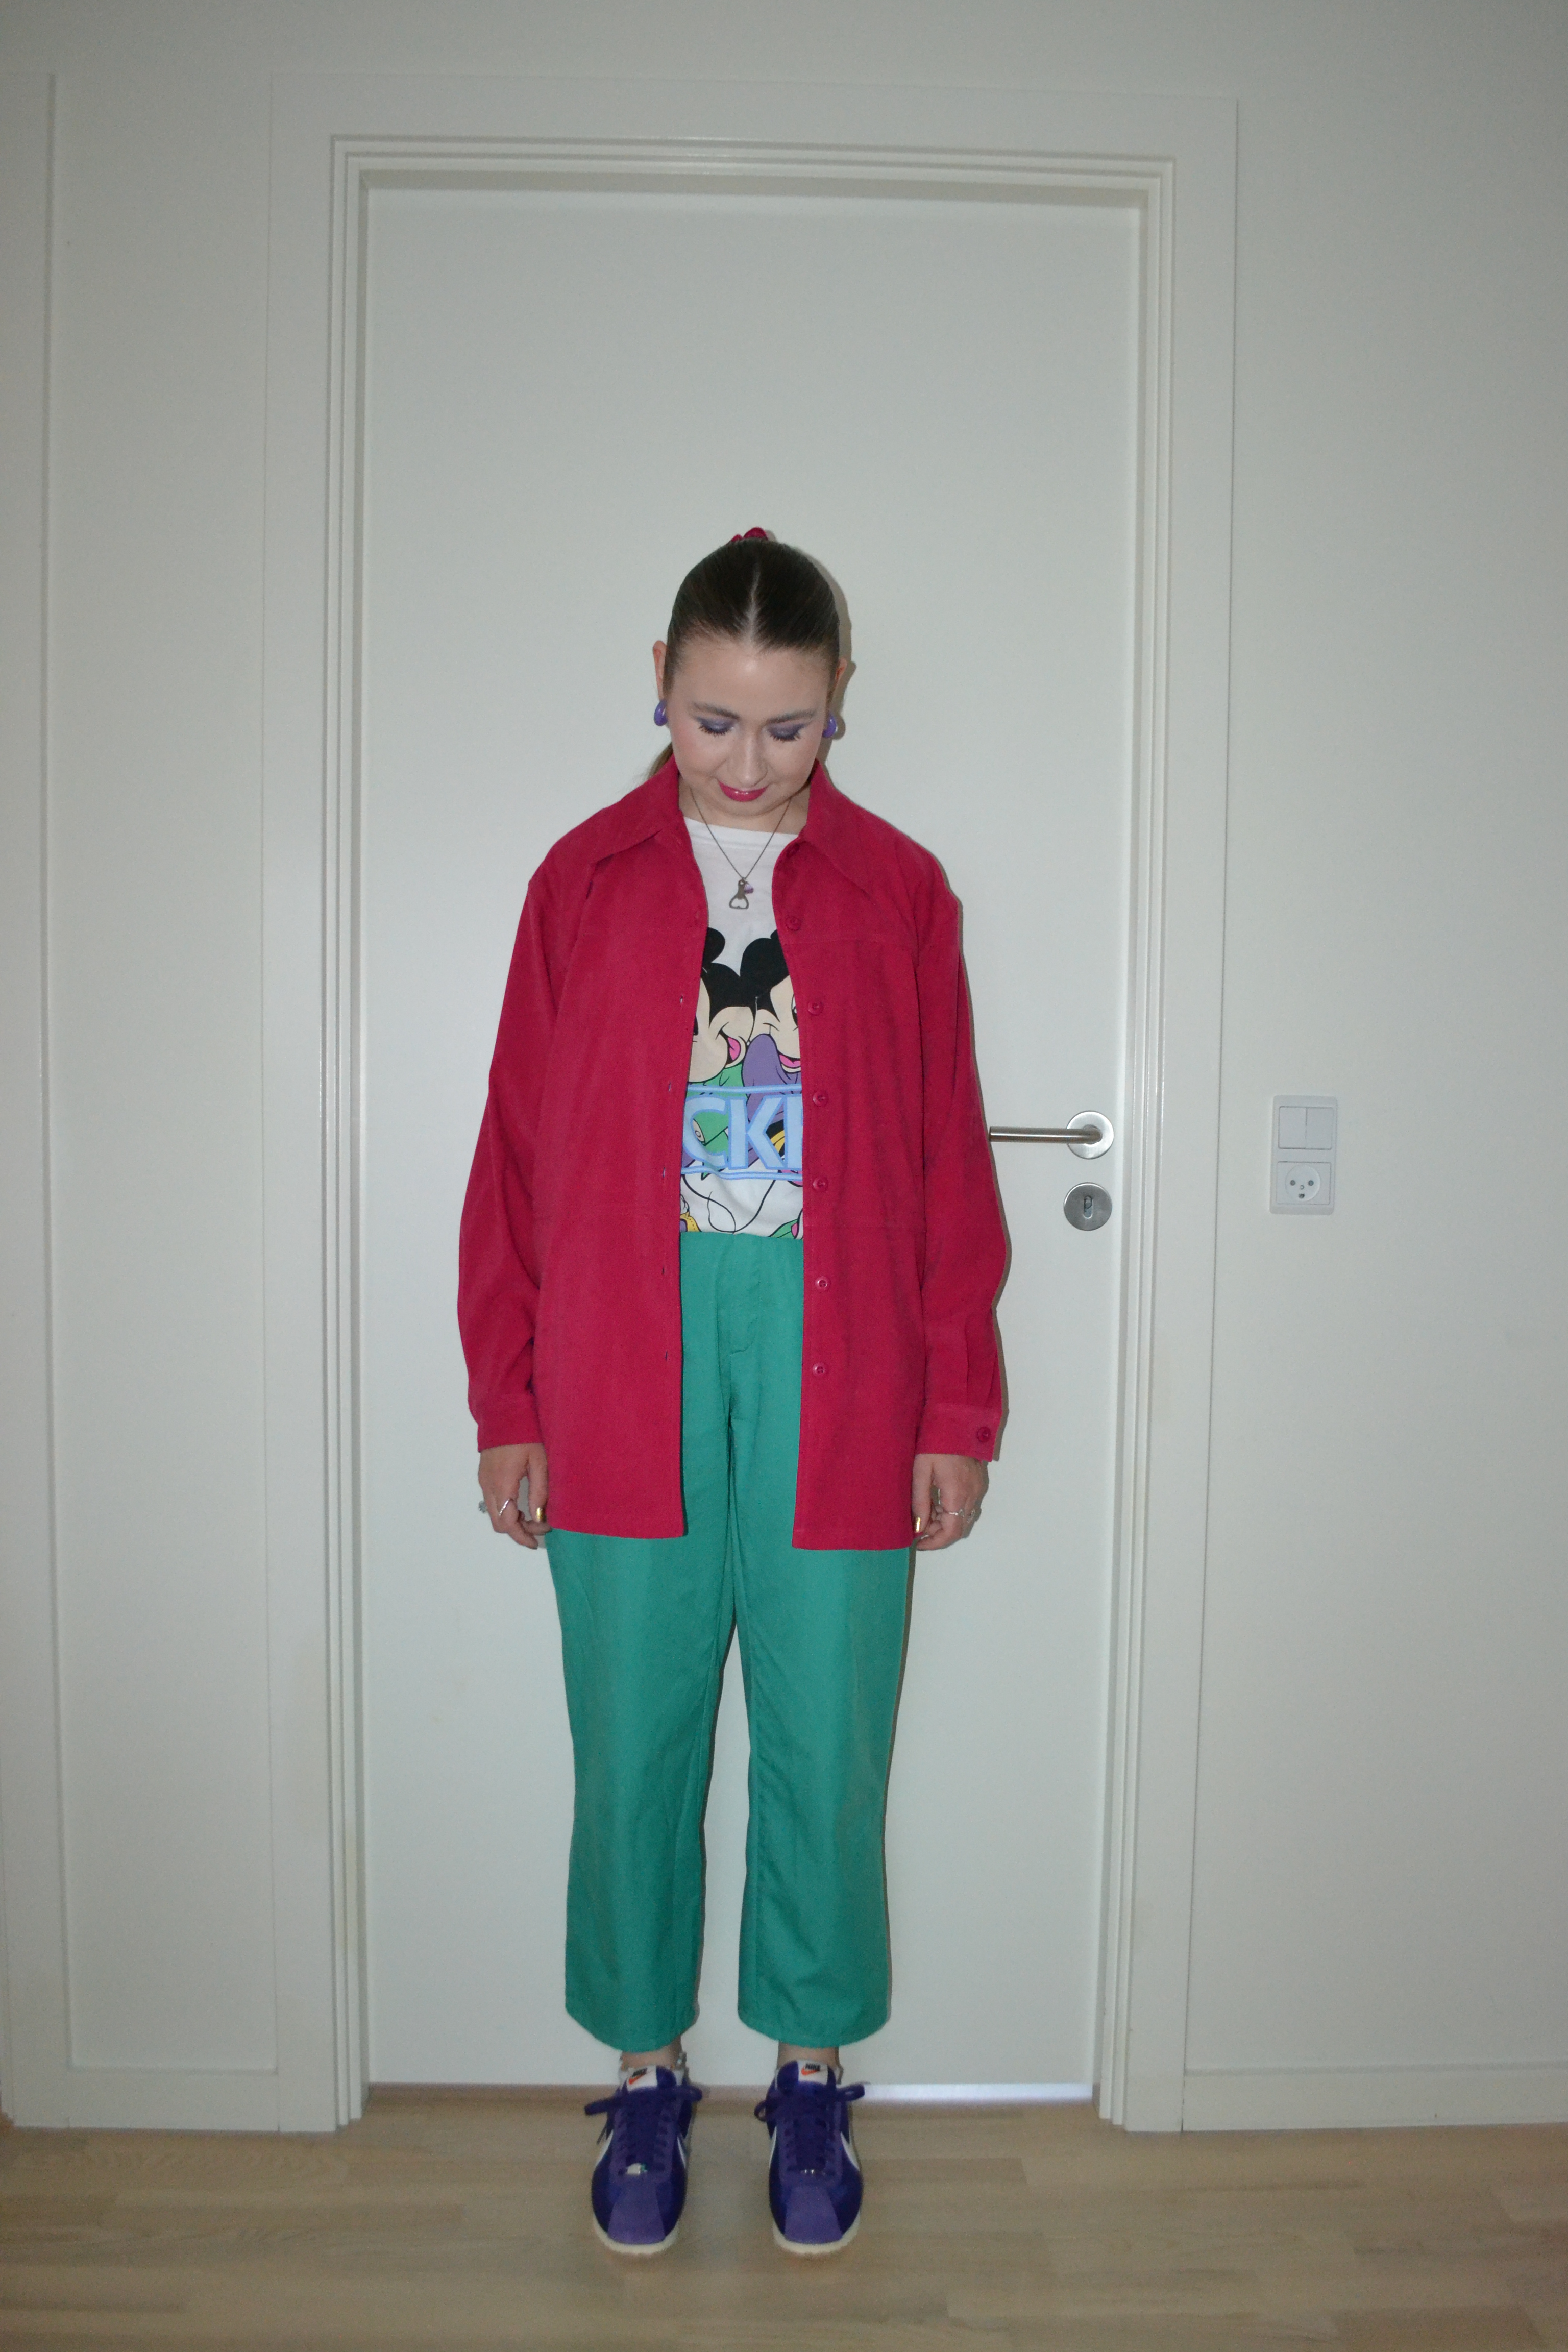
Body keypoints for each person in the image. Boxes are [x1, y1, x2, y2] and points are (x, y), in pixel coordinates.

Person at [459, 530, 1006, 2258]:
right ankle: (644, 2073)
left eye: (789, 726)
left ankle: (812, 2072)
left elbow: (947, 1161)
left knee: (829, 1740)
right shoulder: (584, 881)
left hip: (846, 1357)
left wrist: (956, 1408)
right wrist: (508, 1395)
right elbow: (516, 1154)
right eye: (714, 722)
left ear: (841, 701)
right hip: (623, 1352)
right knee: (634, 1733)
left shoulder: (900, 891)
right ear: (661, 682)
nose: (750, 764)